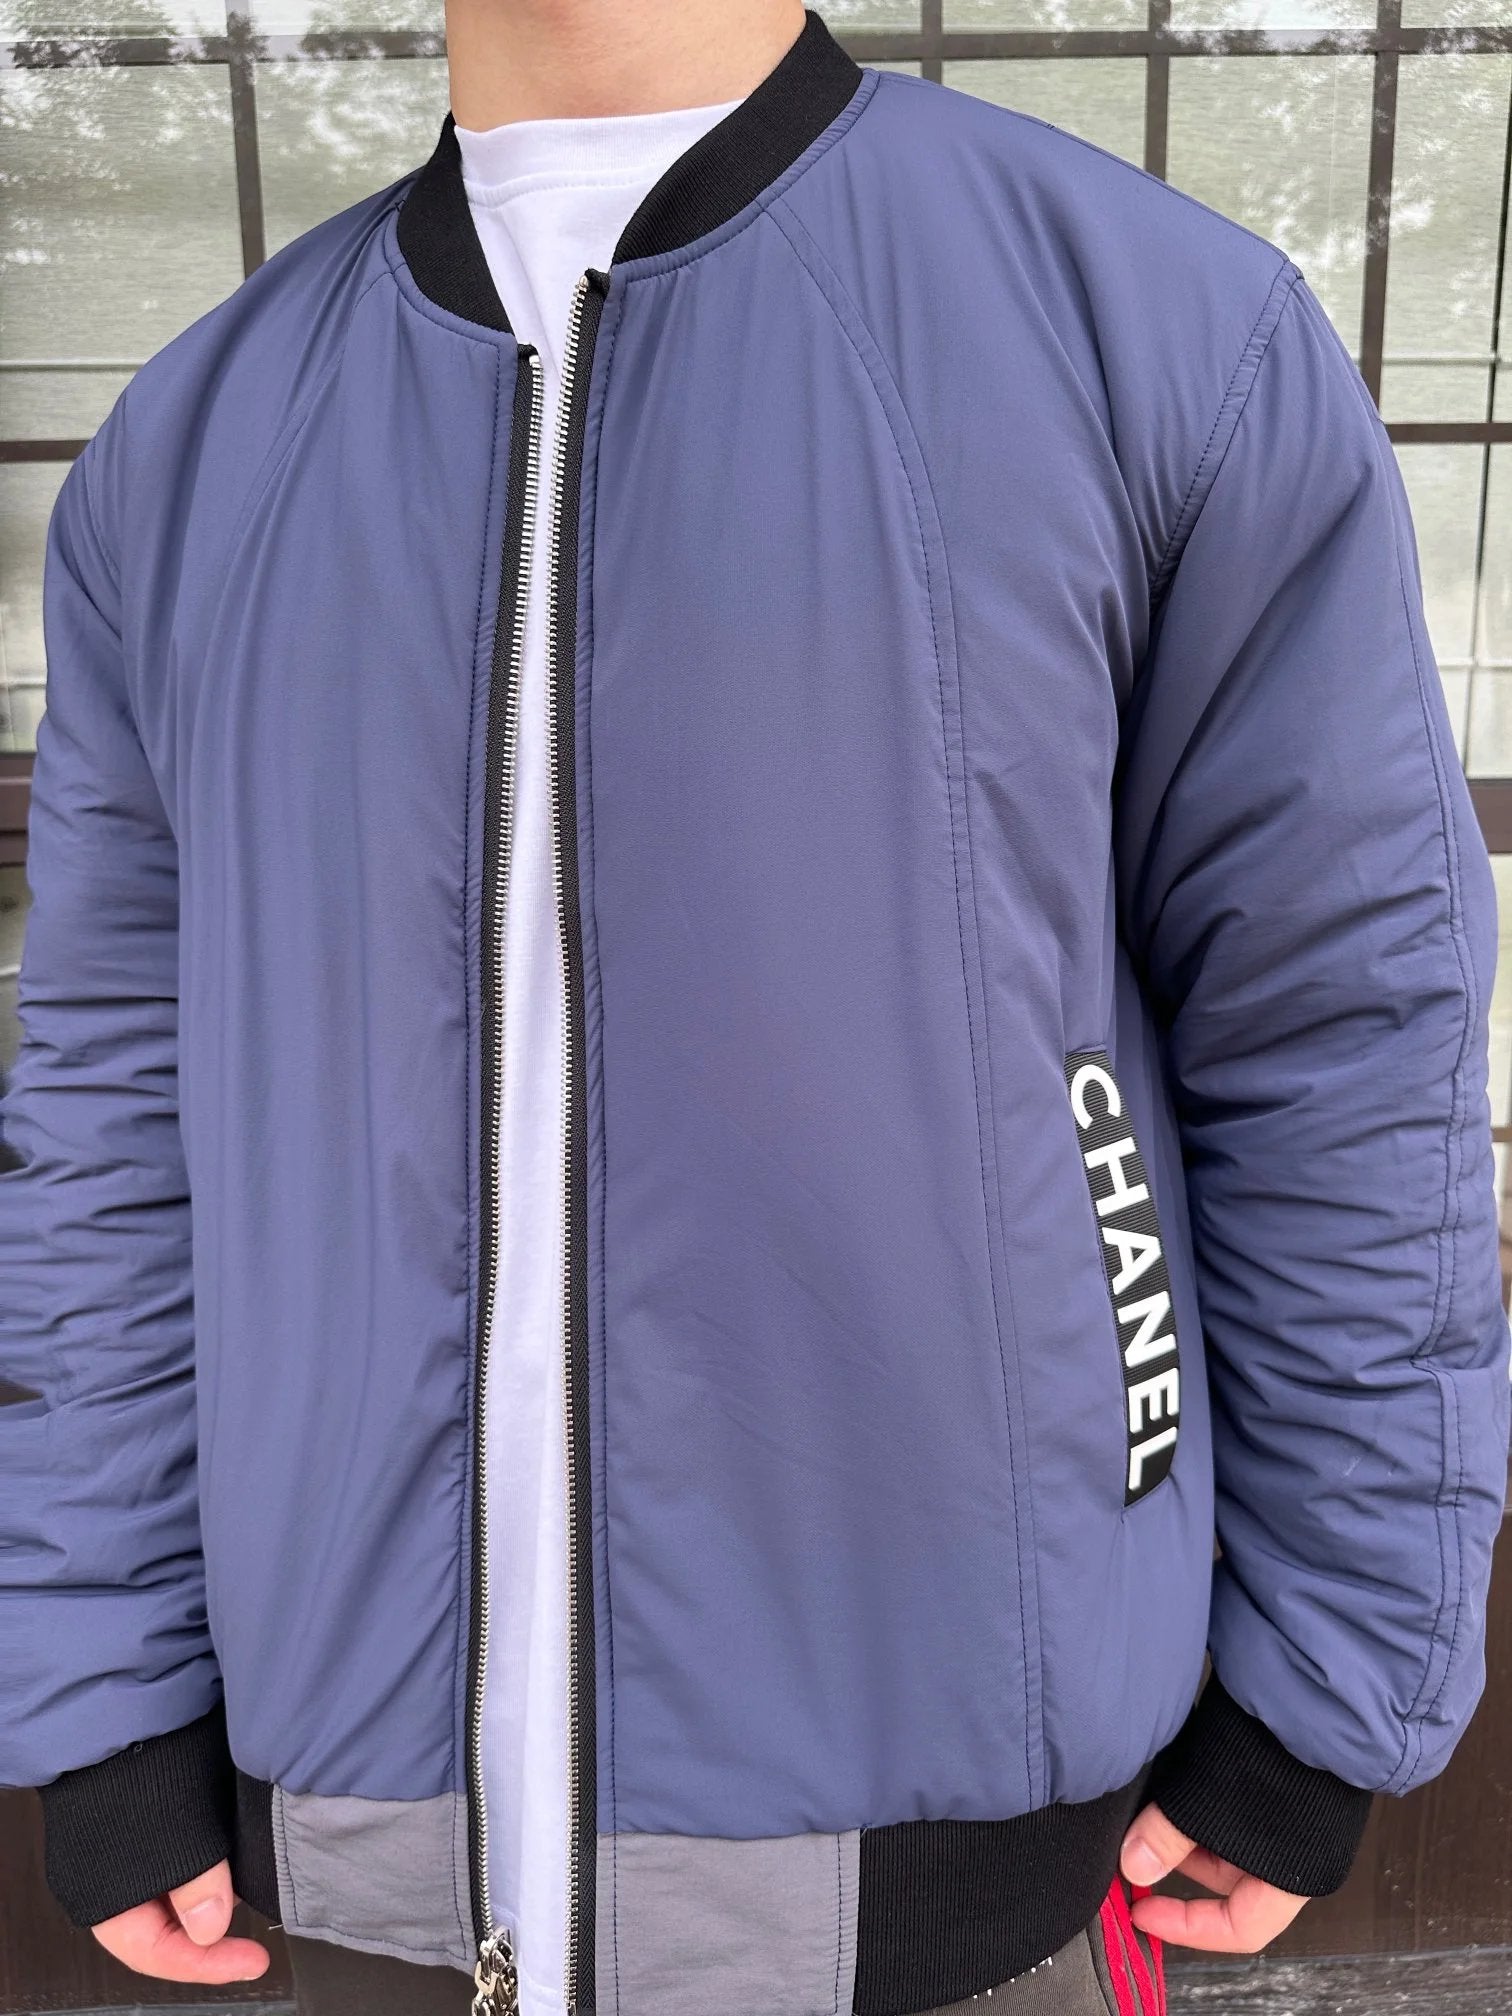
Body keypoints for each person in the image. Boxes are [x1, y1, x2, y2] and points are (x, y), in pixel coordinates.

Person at [2, 2, 1508, 2012]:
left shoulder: (1151, 334)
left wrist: (1328, 1678)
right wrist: (105, 1685)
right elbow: (113, 1125)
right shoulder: (193, 449)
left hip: (964, 1877)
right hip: (339, 1881)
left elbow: (1344, 1044)